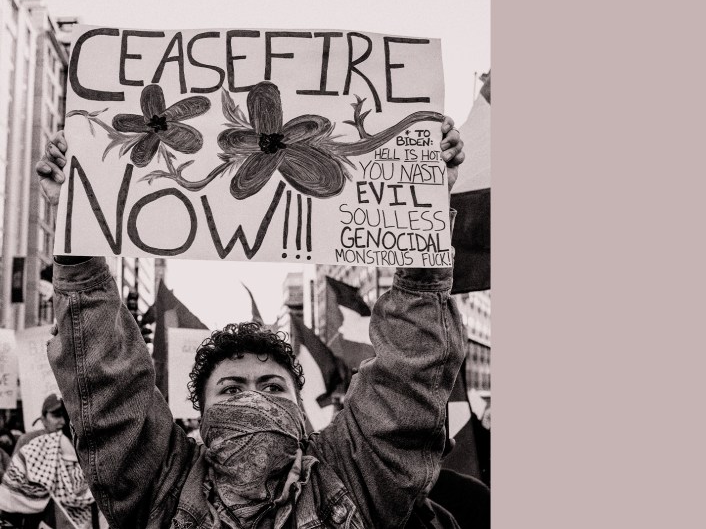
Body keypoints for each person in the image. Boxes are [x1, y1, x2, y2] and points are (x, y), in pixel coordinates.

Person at [36, 117, 467, 527]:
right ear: (200, 416)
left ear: (302, 411)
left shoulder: (350, 476)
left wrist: (423, 210)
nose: (254, 399)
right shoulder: (164, 483)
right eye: (232, 388)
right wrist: (75, 232)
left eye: (273, 387)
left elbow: (407, 377)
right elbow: (107, 381)